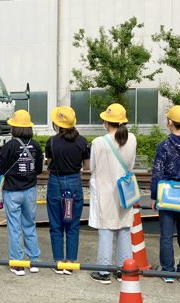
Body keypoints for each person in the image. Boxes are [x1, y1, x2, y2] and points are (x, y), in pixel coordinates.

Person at [89, 103, 137, 284]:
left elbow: (92, 167)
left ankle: (103, 272)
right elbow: (131, 164)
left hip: (105, 191)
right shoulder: (131, 139)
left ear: (106, 122)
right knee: (124, 228)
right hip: (126, 191)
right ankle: (124, 270)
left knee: (106, 230)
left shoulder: (98, 142)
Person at [150, 106, 180, 284]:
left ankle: (168, 271)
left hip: (168, 194)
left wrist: (154, 196)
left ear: (170, 122)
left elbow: (157, 172)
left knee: (167, 235)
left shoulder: (163, 146)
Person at [45, 106, 89, 275]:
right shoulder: (83, 142)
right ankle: (70, 261)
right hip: (74, 183)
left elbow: (49, 162)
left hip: (56, 183)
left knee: (56, 224)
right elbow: (87, 166)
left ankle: (58, 261)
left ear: (57, 124)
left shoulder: (51, 142)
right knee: (72, 224)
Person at [0, 110, 43, 276]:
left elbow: (2, 168)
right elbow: (38, 169)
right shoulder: (36, 145)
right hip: (30, 190)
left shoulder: (9, 146)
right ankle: (34, 262)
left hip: (12, 191)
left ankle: (17, 263)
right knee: (30, 225)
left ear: (15, 128)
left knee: (14, 227)